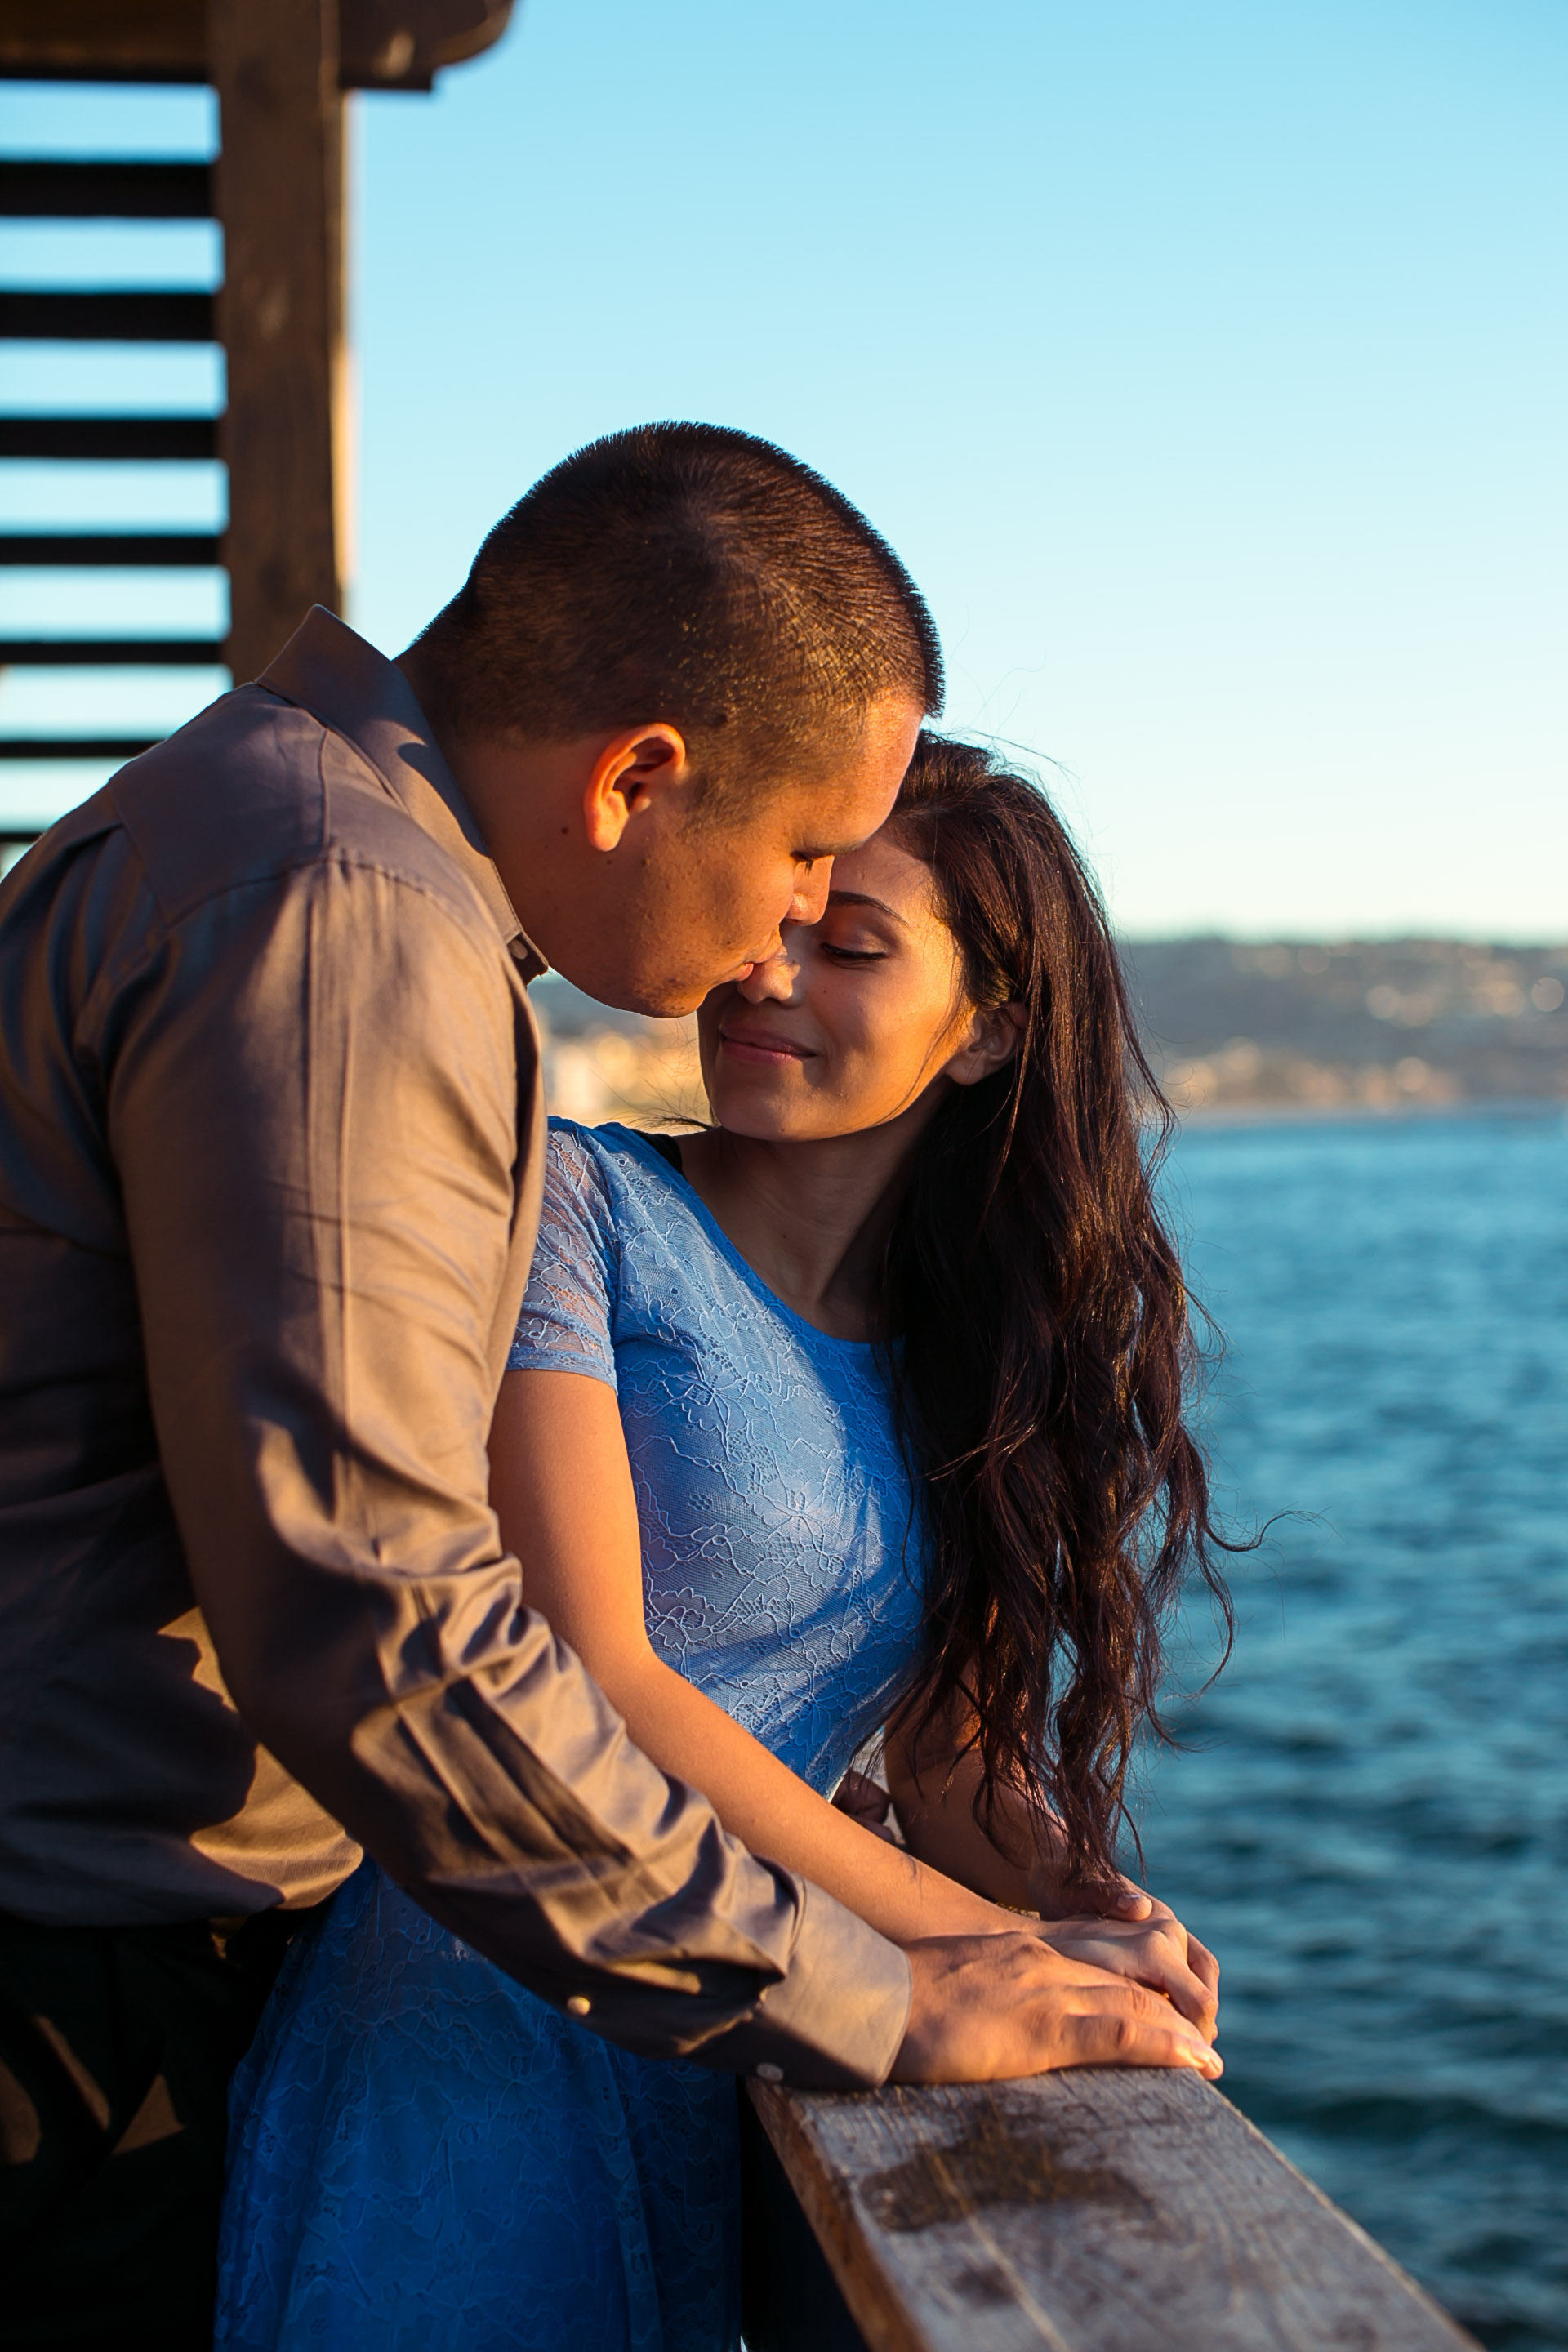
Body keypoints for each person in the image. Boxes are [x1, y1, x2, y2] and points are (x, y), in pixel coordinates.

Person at [0, 427, 1215, 2352]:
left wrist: (1044, 1908)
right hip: (84, 1983)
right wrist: (885, 1998)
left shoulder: (259, 828)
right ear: (642, 772)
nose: (776, 933)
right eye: (802, 850)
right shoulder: (346, 909)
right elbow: (383, 1614)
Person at [216, 733, 1229, 2350]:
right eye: (780, 918)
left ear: (990, 1033)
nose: (770, 972)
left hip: (738, 2029)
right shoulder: (577, 1209)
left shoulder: (962, 1345)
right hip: (489, 2005)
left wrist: (1090, 1909)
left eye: (854, 947)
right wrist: (986, 1957)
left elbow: (951, 1759)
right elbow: (595, 1672)